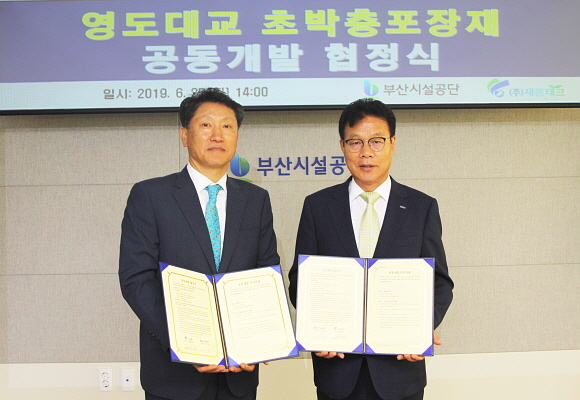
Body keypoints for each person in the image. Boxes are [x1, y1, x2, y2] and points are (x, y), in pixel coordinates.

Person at [119, 88, 280, 400]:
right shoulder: (151, 196)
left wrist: (260, 342)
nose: (217, 135)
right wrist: (184, 345)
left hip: (239, 375)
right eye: (206, 125)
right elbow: (136, 279)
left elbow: (266, 274)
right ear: (184, 135)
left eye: (227, 126)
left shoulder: (256, 200)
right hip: (174, 376)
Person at [288, 98, 454, 400]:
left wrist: (421, 328)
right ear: (342, 146)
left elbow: (440, 282)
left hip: (400, 371)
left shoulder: (421, 207)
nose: (366, 152)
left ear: (393, 143)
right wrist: (318, 327)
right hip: (337, 369)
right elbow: (301, 279)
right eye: (355, 142)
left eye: (376, 141)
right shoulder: (318, 206)